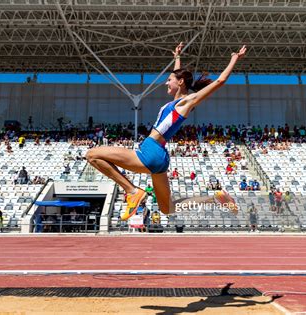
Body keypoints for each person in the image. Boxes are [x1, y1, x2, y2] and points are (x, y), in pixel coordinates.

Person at [85, 42, 246, 220]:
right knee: (168, 208)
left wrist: (234, 59)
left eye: (169, 80)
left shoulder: (188, 101)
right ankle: (215, 198)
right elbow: (178, 77)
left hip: (151, 149)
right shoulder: (177, 101)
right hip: (160, 157)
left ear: (181, 82)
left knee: (92, 155)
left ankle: (132, 191)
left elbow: (220, 81)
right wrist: (177, 58)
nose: (166, 83)